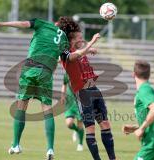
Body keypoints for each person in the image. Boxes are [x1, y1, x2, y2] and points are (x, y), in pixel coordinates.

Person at [0, 17, 99, 160]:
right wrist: (89, 47)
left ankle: (15, 144)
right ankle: (50, 149)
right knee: (47, 110)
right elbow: (71, 57)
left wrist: (2, 23)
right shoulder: (64, 40)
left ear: (57, 24)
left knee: (21, 106)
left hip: (30, 69)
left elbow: (23, 24)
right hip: (46, 73)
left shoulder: (42, 24)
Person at [58, 19, 116, 160]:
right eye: (79, 37)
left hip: (93, 88)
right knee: (90, 128)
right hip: (83, 93)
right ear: (72, 39)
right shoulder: (65, 52)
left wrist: (88, 49)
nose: (82, 39)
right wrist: (91, 43)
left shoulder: (79, 51)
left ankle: (113, 158)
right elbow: (74, 55)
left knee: (105, 123)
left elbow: (80, 53)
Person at [122, 60, 154, 160]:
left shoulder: (144, 90)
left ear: (133, 74)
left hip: (152, 143)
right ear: (149, 74)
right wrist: (135, 128)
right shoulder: (146, 89)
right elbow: (152, 118)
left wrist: (141, 128)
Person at [61, 73, 84, 151]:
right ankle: (77, 131)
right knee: (69, 124)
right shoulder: (67, 73)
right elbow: (64, 84)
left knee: (80, 124)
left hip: (80, 102)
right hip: (70, 102)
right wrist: (63, 96)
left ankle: (80, 144)